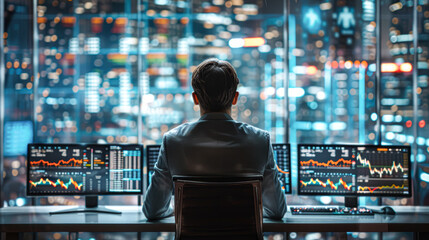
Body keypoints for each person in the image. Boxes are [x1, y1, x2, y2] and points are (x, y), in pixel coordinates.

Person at [143, 58, 287, 220]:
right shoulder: (260, 141)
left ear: (195, 98)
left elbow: (152, 211)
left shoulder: (173, 141)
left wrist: (179, 209)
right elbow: (276, 210)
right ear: (235, 98)